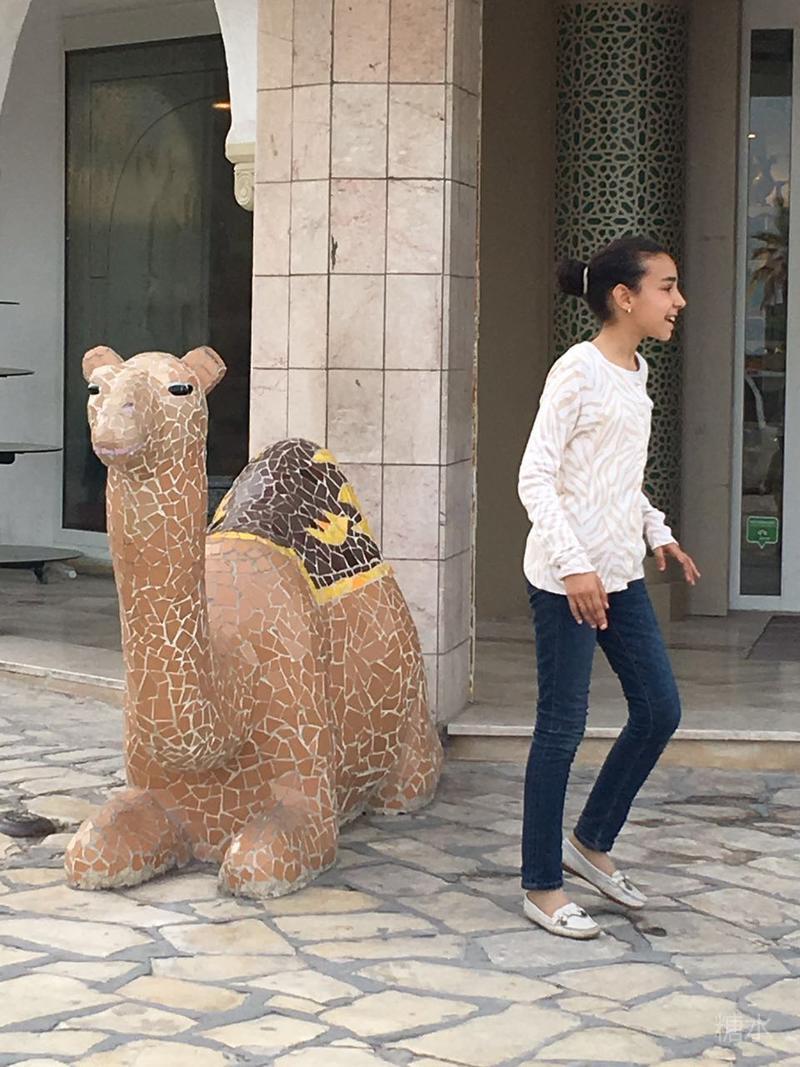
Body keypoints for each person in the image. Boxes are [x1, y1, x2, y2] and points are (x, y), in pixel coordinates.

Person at [517, 235, 701, 939]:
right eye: (667, 287)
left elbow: (617, 480)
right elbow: (536, 476)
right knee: (561, 728)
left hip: (619, 574)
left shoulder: (636, 371)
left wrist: (658, 532)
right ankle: (541, 885)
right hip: (565, 578)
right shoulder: (577, 370)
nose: (678, 301)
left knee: (659, 709)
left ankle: (590, 840)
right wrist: (574, 566)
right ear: (624, 297)